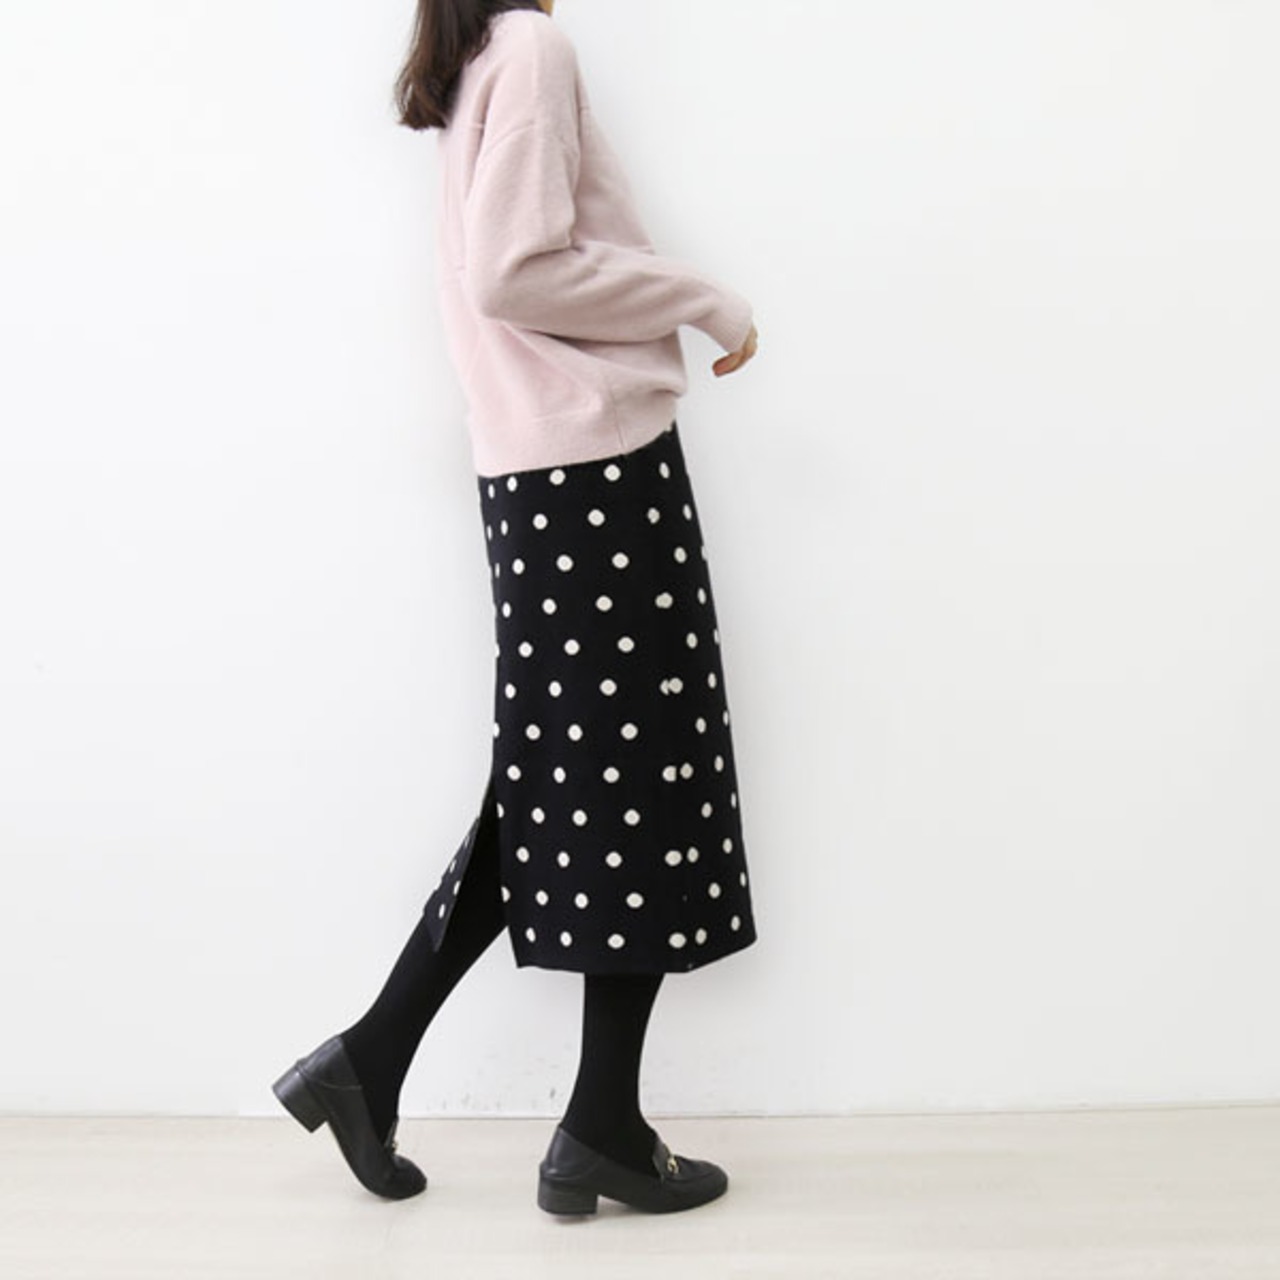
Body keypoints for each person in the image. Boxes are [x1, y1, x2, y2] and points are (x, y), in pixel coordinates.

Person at [272, 0, 760, 1216]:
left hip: (538, 480)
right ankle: (593, 1125)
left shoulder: (482, 55)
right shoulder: (531, 50)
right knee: (637, 781)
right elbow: (512, 271)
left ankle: (379, 1062)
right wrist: (702, 297)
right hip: (596, 472)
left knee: (562, 784)